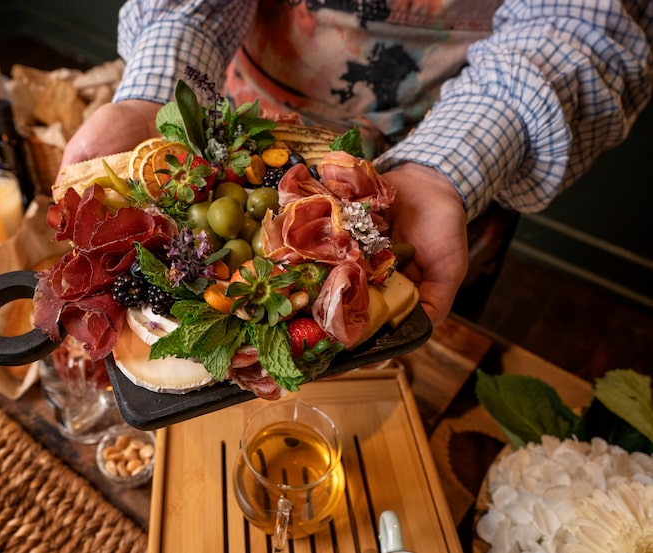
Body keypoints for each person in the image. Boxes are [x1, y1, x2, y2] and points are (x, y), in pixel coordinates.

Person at [60, 0, 652, 327]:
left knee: (416, 328)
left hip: (452, 142)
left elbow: (583, 22)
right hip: (242, 132)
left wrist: (438, 169)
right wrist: (155, 97)